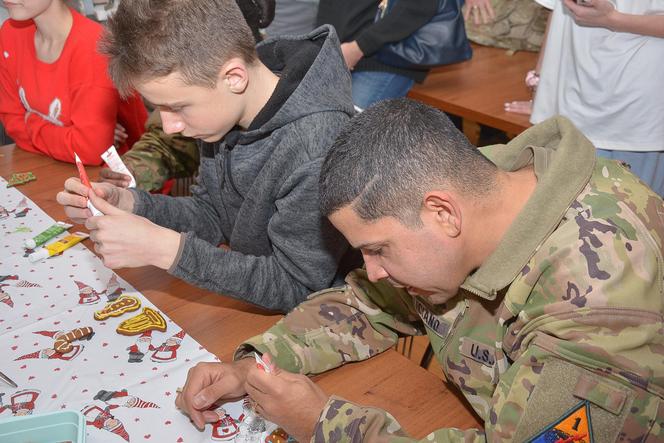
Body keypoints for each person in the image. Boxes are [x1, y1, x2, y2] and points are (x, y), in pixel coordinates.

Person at [175, 98, 664, 442]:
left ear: (442, 214)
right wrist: (255, 365)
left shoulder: (599, 310)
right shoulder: (479, 188)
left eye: (379, 250)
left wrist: (324, 424)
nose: (374, 271)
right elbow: (364, 304)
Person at [56, 0, 358, 312]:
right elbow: (212, 213)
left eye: (178, 106)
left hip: (318, 319)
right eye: (160, 107)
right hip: (249, 303)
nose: (170, 127)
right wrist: (132, 204)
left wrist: (166, 250)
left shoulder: (315, 146)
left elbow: (298, 286)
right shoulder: (223, 110)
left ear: (234, 78)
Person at [99, 0, 276, 192]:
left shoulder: (303, 148)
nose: (170, 126)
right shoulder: (198, 94)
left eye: (177, 107)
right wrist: (130, 172)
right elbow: (169, 145)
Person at [505, 0, 664, 196]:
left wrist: (613, 19)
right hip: (569, 106)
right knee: (562, 214)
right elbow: (556, 11)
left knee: (633, 216)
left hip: (633, 112)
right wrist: (540, 86)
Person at [0, 0, 147, 165]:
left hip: (119, 176)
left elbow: (88, 151)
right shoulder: (10, 32)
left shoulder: (94, 48)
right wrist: (70, 138)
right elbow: (11, 120)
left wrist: (29, 120)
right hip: (51, 166)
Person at [317, 0, 439, 110]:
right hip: (336, 54)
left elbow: (418, 5)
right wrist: (323, 44)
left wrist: (358, 47)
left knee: (344, 129)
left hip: (386, 58)